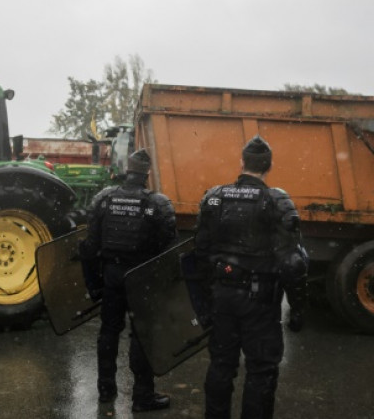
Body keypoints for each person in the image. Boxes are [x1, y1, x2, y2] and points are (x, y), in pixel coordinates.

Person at [195, 135, 309, 419]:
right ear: (268, 166)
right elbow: (293, 264)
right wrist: (298, 308)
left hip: (222, 297)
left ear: (242, 162)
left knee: (221, 365)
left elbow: (199, 254)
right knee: (261, 370)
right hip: (260, 302)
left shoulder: (214, 197)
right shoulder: (276, 201)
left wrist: (203, 304)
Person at [80, 148, 178, 413]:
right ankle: (142, 397)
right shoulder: (158, 203)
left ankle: (105, 390)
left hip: (111, 276)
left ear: (127, 169)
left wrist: (94, 283)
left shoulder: (104, 199)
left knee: (109, 331)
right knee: (141, 334)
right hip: (141, 278)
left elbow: (89, 246)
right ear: (146, 174)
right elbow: (168, 247)